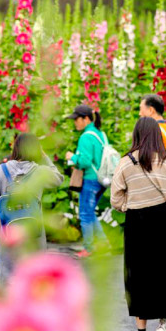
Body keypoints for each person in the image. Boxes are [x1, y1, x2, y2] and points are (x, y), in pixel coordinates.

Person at [110, 117, 166, 331]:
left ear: (136, 135)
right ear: (158, 134)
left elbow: (115, 199)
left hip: (137, 223)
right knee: (164, 272)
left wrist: (131, 204)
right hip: (163, 222)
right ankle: (163, 325)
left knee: (138, 275)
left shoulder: (126, 163)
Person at [0, 133, 63, 283]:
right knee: (36, 277)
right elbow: (58, 178)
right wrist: (44, 157)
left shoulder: (0, 171)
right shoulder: (40, 171)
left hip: (10, 234)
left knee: (8, 276)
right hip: (35, 234)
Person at [65, 103, 109, 257]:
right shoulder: (100, 134)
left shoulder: (85, 137)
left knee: (84, 214)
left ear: (85, 119)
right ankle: (103, 244)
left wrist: (72, 157)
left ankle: (89, 248)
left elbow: (84, 162)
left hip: (90, 180)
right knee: (90, 212)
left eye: (76, 119)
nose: (75, 122)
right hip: (102, 180)